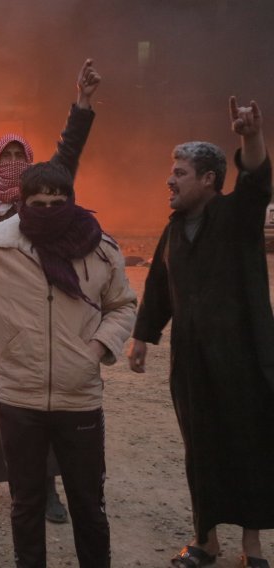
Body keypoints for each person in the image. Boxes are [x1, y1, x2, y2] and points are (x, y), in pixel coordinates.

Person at [0, 157, 137, 565]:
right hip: (20, 401)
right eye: (39, 204)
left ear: (72, 202)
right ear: (23, 205)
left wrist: (95, 350)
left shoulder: (100, 250)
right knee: (25, 506)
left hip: (80, 399)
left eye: (59, 203)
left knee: (89, 507)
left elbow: (122, 305)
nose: (50, 213)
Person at [0, 59, 101, 524]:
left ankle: (46, 487)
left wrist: (83, 105)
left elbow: (68, 155)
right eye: (5, 156)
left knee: (38, 410)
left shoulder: (41, 205)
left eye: (20, 155)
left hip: (33, 326)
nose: (13, 163)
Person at [128, 97, 274, 568]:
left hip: (243, 359)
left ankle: (253, 549)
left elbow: (255, 182)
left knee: (249, 445)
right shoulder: (172, 232)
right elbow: (158, 290)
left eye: (180, 172)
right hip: (191, 363)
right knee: (201, 449)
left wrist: (249, 137)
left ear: (209, 179)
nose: (170, 180)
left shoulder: (237, 218)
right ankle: (205, 542)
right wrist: (142, 337)